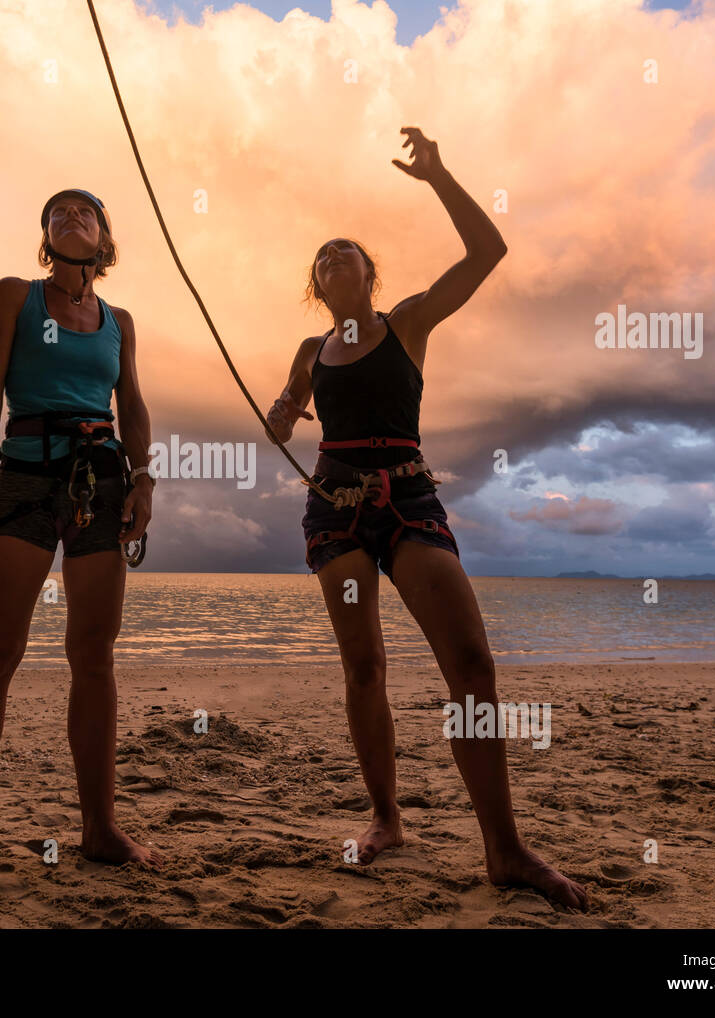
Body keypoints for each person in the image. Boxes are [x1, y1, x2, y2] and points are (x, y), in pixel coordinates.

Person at [266, 129, 588, 909]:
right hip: (335, 512)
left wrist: (440, 176)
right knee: (365, 666)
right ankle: (386, 818)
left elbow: (488, 250)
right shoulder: (311, 350)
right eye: (322, 257)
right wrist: (280, 411)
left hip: (408, 501)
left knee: (472, 666)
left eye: (346, 252)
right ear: (317, 286)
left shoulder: (406, 324)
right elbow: (283, 421)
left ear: (371, 274)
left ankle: (504, 849)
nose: (333, 259)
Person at [0, 189, 160, 885]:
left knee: (94, 655)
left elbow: (129, 404)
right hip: (21, 475)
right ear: (46, 236)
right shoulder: (15, 295)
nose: (71, 215)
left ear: (105, 236)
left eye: (85, 210)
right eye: (58, 211)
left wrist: (143, 478)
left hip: (100, 482)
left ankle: (100, 830)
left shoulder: (120, 322)